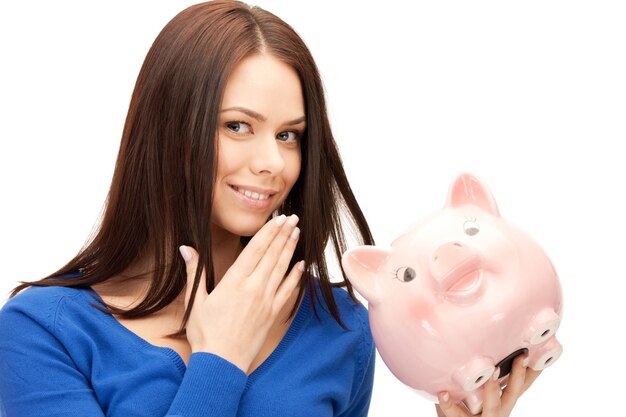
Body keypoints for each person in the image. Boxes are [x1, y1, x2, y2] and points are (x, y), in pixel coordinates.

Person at [0, 1, 539, 416]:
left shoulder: (342, 327)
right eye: (238, 126)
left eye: (289, 135)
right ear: (167, 131)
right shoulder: (42, 333)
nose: (273, 163)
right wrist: (220, 361)